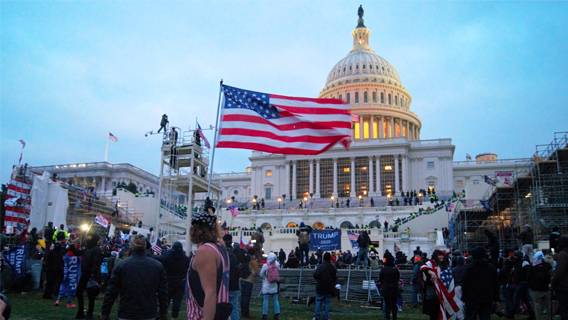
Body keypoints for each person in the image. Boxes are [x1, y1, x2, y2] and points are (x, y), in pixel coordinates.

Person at [101, 234, 168, 320]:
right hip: (147, 313)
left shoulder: (122, 265)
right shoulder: (157, 266)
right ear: (145, 246)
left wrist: (105, 313)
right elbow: (163, 293)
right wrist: (163, 313)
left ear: (131, 246)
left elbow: (111, 292)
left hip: (127, 312)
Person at [185, 209, 231, 320]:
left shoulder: (205, 251)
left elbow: (210, 293)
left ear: (199, 231)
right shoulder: (220, 248)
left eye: (193, 228)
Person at [462, 247, 498, 320]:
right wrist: (495, 298)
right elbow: (496, 284)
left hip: (472, 299)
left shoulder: (469, 268)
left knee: (471, 317)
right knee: (485, 316)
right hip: (486, 298)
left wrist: (465, 297)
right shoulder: (491, 268)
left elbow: (465, 284)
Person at [159, 241, 190, 319]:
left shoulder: (167, 256)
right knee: (177, 301)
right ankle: (174, 316)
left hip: (169, 282)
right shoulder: (185, 258)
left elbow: (160, 259)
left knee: (166, 300)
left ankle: (164, 315)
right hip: (180, 282)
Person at [76, 233, 102, 319]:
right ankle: (81, 311)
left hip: (90, 275)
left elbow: (96, 263)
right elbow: (79, 253)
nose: (87, 239)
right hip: (85, 274)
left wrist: (92, 274)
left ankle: (89, 313)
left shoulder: (96, 249)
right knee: (79, 292)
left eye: (89, 238)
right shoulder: (88, 248)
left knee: (91, 295)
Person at [313, 252, 337, 320]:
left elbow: (315, 275)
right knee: (327, 304)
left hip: (320, 287)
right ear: (330, 258)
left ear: (323, 258)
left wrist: (318, 280)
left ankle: (316, 317)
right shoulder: (332, 267)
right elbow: (335, 278)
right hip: (329, 288)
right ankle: (326, 317)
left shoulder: (320, 266)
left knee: (318, 302)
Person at [529, 251, 551, 320]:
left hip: (536, 290)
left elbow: (529, 278)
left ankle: (539, 318)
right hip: (546, 289)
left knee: (537, 306)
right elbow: (550, 275)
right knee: (548, 306)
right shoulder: (547, 265)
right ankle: (549, 318)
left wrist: (531, 286)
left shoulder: (533, 267)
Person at [223, 234, 241, 320]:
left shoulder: (221, 252)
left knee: (222, 306)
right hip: (235, 284)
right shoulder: (236, 252)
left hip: (224, 284)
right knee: (234, 306)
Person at [260, 252, 280, 320]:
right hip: (274, 285)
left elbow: (261, 274)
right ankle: (277, 314)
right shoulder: (277, 264)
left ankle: (265, 315)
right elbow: (278, 271)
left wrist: (265, 277)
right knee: (275, 300)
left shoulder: (265, 265)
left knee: (265, 300)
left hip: (266, 285)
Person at [379, 255, 400, 320]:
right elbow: (397, 279)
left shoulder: (383, 269)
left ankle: (387, 317)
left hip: (386, 289)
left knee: (387, 304)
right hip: (394, 289)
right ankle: (394, 317)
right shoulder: (395, 269)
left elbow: (380, 279)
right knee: (394, 304)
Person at [552, 236, 568, 320]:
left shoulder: (562, 254)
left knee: (564, 310)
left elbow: (559, 272)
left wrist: (553, 283)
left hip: (564, 287)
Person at [240, 250, 259, 319]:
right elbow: (256, 273)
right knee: (247, 298)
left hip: (242, 280)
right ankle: (246, 314)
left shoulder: (245, 259)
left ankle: (242, 312)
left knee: (242, 297)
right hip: (249, 280)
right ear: (254, 254)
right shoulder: (253, 261)